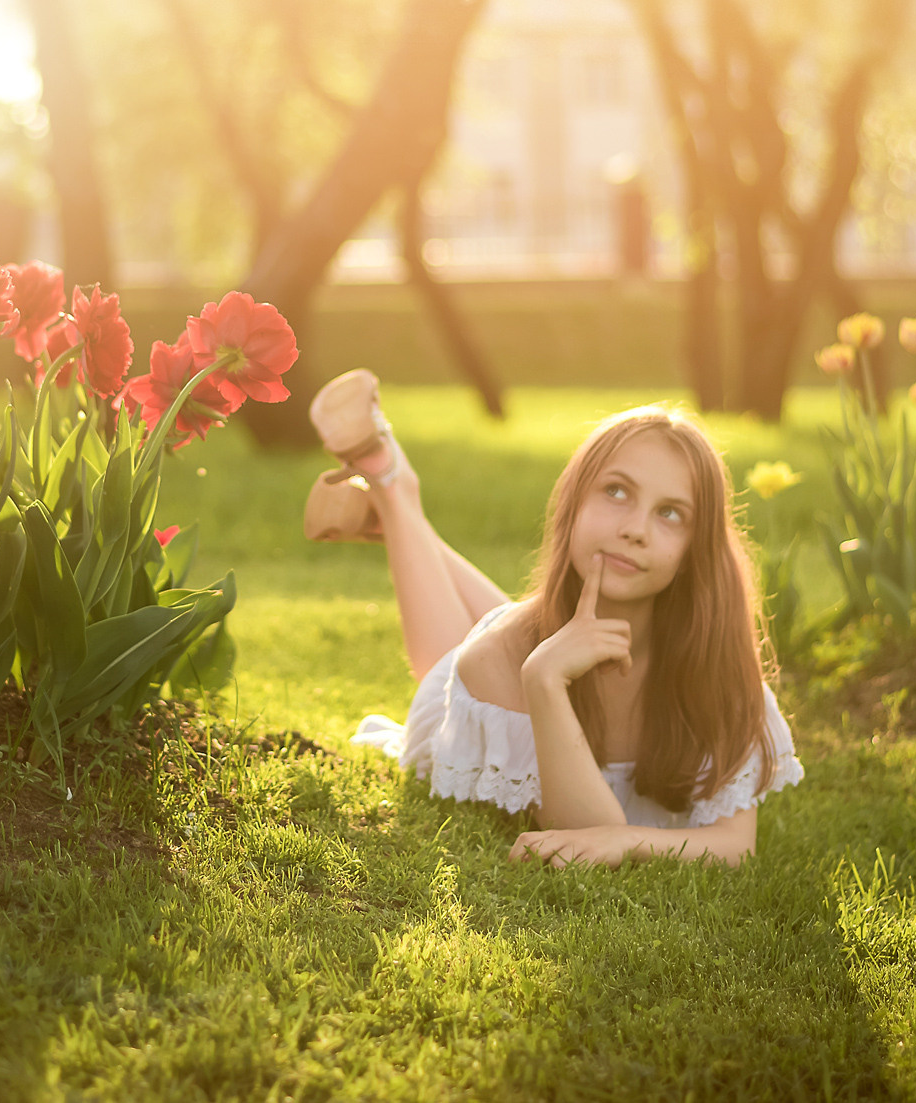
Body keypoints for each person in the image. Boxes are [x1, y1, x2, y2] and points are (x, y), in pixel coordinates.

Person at [302, 371, 801, 869]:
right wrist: (543, 678)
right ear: (573, 504)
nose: (634, 530)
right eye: (617, 492)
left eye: (670, 513)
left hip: (533, 636)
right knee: (460, 653)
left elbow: (738, 845)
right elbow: (582, 834)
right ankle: (392, 487)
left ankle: (399, 514)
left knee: (517, 629)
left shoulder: (715, 662)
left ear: (697, 551)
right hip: (478, 686)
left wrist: (627, 842)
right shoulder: (497, 659)